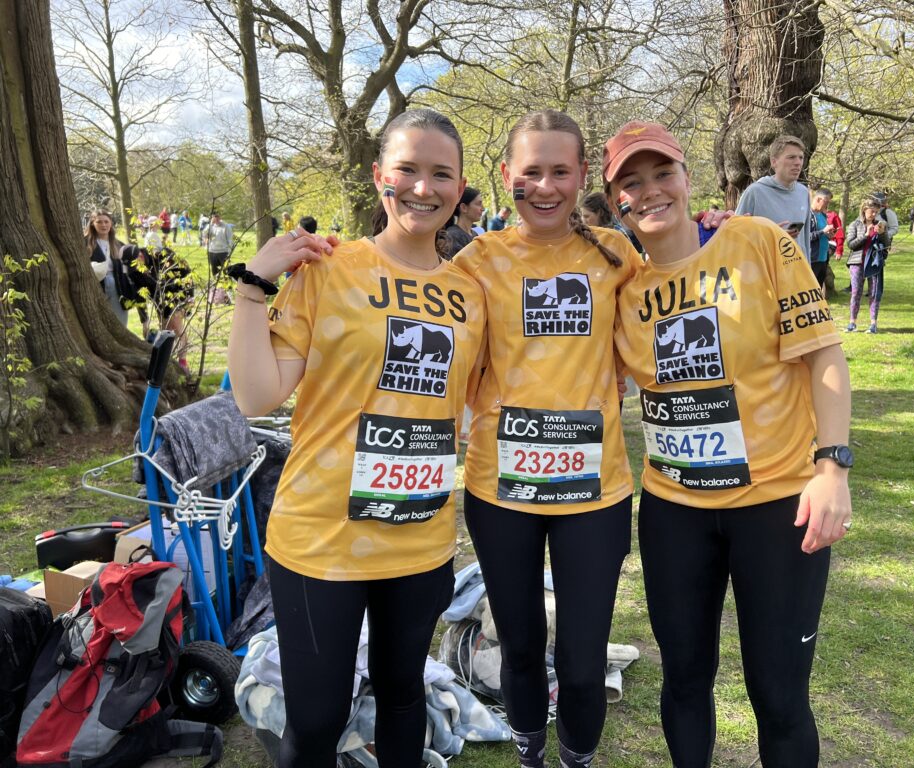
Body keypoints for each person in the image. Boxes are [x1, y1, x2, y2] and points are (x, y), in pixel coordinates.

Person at [227, 109, 485, 768]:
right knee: (317, 718)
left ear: (459, 188)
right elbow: (258, 396)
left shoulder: (472, 294)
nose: (423, 188)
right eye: (407, 170)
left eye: (441, 174)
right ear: (379, 178)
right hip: (321, 536)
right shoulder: (331, 269)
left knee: (404, 699)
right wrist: (254, 290)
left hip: (419, 535)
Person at [603, 120, 852, 768]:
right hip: (674, 512)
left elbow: (824, 351)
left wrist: (833, 467)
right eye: (632, 183)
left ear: (687, 179)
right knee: (684, 680)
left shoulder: (758, 242)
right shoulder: (621, 288)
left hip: (777, 508)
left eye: (662, 174)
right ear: (614, 203)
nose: (650, 191)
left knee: (778, 695)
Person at [453, 109, 642, 768]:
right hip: (499, 489)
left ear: (583, 175)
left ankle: (577, 761)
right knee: (523, 647)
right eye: (530, 171)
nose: (546, 186)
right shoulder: (476, 260)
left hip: (595, 492)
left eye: (561, 171)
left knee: (584, 663)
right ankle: (532, 756)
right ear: (507, 176)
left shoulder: (617, 254)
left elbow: (666, 321)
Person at [734, 135, 817, 259]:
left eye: (801, 157)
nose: (798, 163)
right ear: (774, 162)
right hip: (764, 272)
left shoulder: (803, 192)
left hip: (796, 271)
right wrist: (772, 237)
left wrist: (807, 272)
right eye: (791, 157)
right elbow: (736, 235)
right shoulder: (755, 192)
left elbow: (804, 239)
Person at [123, 244, 194, 369]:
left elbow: (186, 273)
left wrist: (190, 298)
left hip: (178, 293)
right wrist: (144, 321)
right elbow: (140, 295)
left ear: (140, 255)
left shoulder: (162, 255)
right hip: (160, 300)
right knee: (165, 329)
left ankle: (183, 363)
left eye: (135, 263)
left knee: (177, 328)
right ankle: (168, 360)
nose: (134, 268)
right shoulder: (134, 271)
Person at [845, 198, 890, 332]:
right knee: (856, 292)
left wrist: (882, 234)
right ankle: (852, 323)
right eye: (872, 211)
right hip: (857, 262)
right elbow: (851, 244)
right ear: (864, 210)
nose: (874, 215)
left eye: (876, 212)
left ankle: (873, 324)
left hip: (874, 262)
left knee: (874, 292)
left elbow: (886, 244)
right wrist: (865, 235)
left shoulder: (881, 224)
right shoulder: (855, 224)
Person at [85, 210, 132, 325]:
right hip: (94, 285)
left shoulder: (119, 245)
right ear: (92, 224)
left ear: (111, 224)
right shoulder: (85, 243)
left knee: (120, 322)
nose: (103, 225)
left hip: (117, 286)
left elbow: (128, 269)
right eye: (99, 222)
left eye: (106, 221)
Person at [808, 188, 838, 289]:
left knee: (819, 289)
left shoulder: (822, 215)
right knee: (810, 289)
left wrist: (829, 234)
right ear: (818, 199)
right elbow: (806, 237)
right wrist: (823, 231)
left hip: (823, 258)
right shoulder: (807, 214)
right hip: (812, 259)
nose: (827, 205)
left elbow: (823, 233)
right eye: (826, 202)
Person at [445, 186, 483, 258]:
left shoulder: (475, 234)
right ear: (464, 208)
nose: (482, 209)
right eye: (478, 204)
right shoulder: (452, 236)